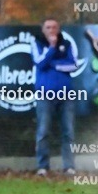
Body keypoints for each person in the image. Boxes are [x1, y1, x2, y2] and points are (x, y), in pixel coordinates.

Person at [31, 17, 78, 176]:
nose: (52, 30)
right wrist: (51, 49)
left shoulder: (67, 44)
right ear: (43, 29)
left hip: (66, 95)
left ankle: (69, 167)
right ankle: (43, 167)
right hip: (45, 95)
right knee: (43, 132)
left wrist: (54, 64)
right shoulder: (37, 43)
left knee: (68, 132)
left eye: (54, 27)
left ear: (59, 29)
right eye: (48, 27)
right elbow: (40, 63)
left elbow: (72, 65)